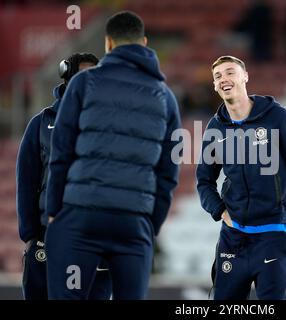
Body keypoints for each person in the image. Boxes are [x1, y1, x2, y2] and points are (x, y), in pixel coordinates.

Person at [44, 11, 181, 299]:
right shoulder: (165, 97)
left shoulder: (83, 83)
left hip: (82, 216)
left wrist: (55, 210)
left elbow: (61, 152)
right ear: (144, 42)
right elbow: (168, 174)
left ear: (108, 44)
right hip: (133, 223)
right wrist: (148, 223)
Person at [196, 55, 286, 300]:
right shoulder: (215, 128)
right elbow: (204, 181)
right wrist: (221, 211)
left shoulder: (277, 117)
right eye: (218, 76)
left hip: (271, 237)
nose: (224, 79)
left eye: (230, 72)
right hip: (232, 238)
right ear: (214, 86)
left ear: (245, 77)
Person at [16, 52, 112, 300]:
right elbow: (26, 182)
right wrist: (30, 235)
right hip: (47, 240)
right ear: (66, 77)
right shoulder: (40, 124)